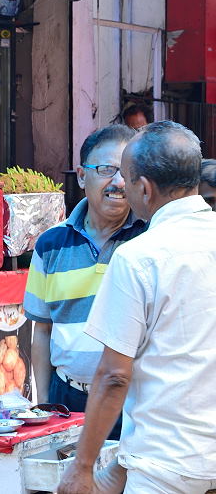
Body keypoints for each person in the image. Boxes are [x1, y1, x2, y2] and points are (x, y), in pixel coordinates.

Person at [59, 121, 216, 494]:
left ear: (144, 188)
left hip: (166, 467)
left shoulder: (138, 257)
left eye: (126, 179)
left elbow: (114, 375)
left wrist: (82, 468)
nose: (121, 187)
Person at [23, 125, 144, 440]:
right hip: (67, 398)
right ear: (81, 176)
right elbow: (42, 331)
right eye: (106, 170)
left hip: (134, 401)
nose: (118, 182)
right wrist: (45, 406)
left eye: (127, 172)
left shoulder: (149, 240)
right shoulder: (50, 244)